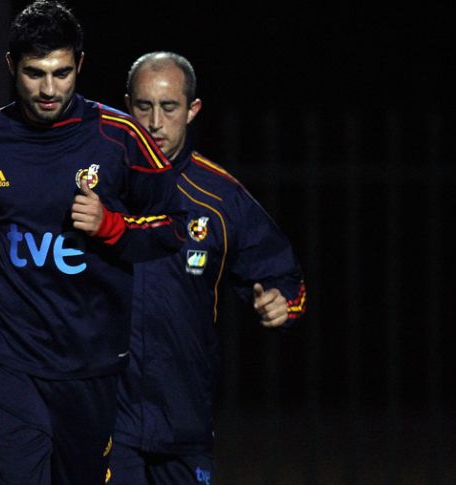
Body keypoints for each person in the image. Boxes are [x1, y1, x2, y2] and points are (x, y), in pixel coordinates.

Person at [0, 4, 187, 484]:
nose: (49, 88)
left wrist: (112, 227)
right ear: (12, 66)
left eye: (61, 72)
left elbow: (177, 228)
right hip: (8, 357)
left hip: (93, 364)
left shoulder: (119, 139)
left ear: (80, 63)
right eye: (35, 73)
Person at [108, 51, 307, 484]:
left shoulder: (220, 199)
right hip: (108, 425)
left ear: (192, 110)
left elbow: (283, 277)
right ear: (127, 107)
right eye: (144, 107)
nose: (155, 122)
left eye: (169, 107)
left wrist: (282, 304)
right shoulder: (98, 189)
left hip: (185, 424)